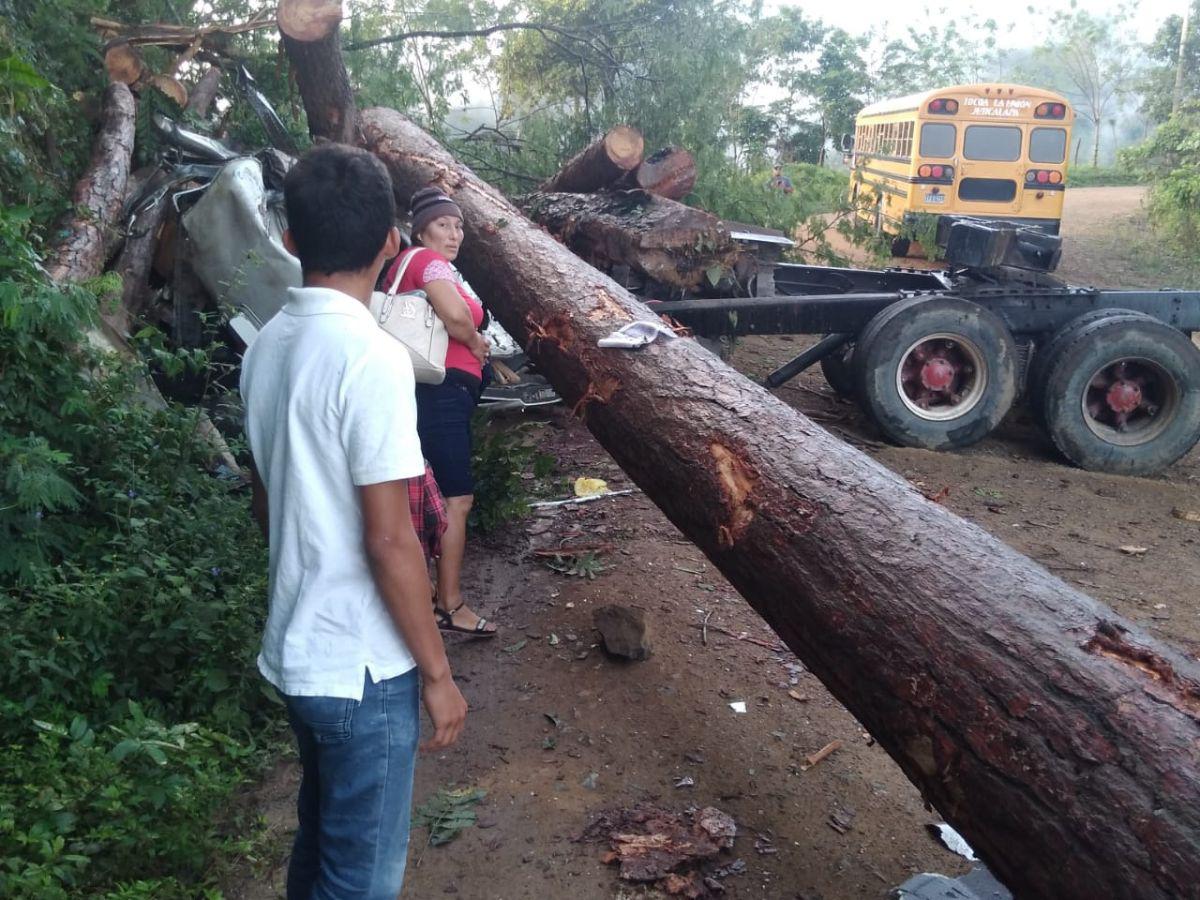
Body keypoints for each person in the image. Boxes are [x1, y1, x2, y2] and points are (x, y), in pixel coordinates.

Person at [240, 145, 467, 900]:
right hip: (362, 670)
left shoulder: (265, 346)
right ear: (391, 244)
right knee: (362, 877)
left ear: (290, 238)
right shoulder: (371, 358)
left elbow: (268, 499)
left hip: (297, 654)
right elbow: (389, 536)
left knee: (320, 843)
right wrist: (438, 675)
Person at [382, 186, 498, 637]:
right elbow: (453, 315)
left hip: (435, 393)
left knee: (423, 497)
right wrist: (474, 342)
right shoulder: (427, 261)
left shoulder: (421, 265)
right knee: (457, 498)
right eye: (443, 225)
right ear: (420, 230)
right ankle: (449, 604)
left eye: (459, 225)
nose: (454, 234)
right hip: (440, 391)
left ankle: (424, 601)